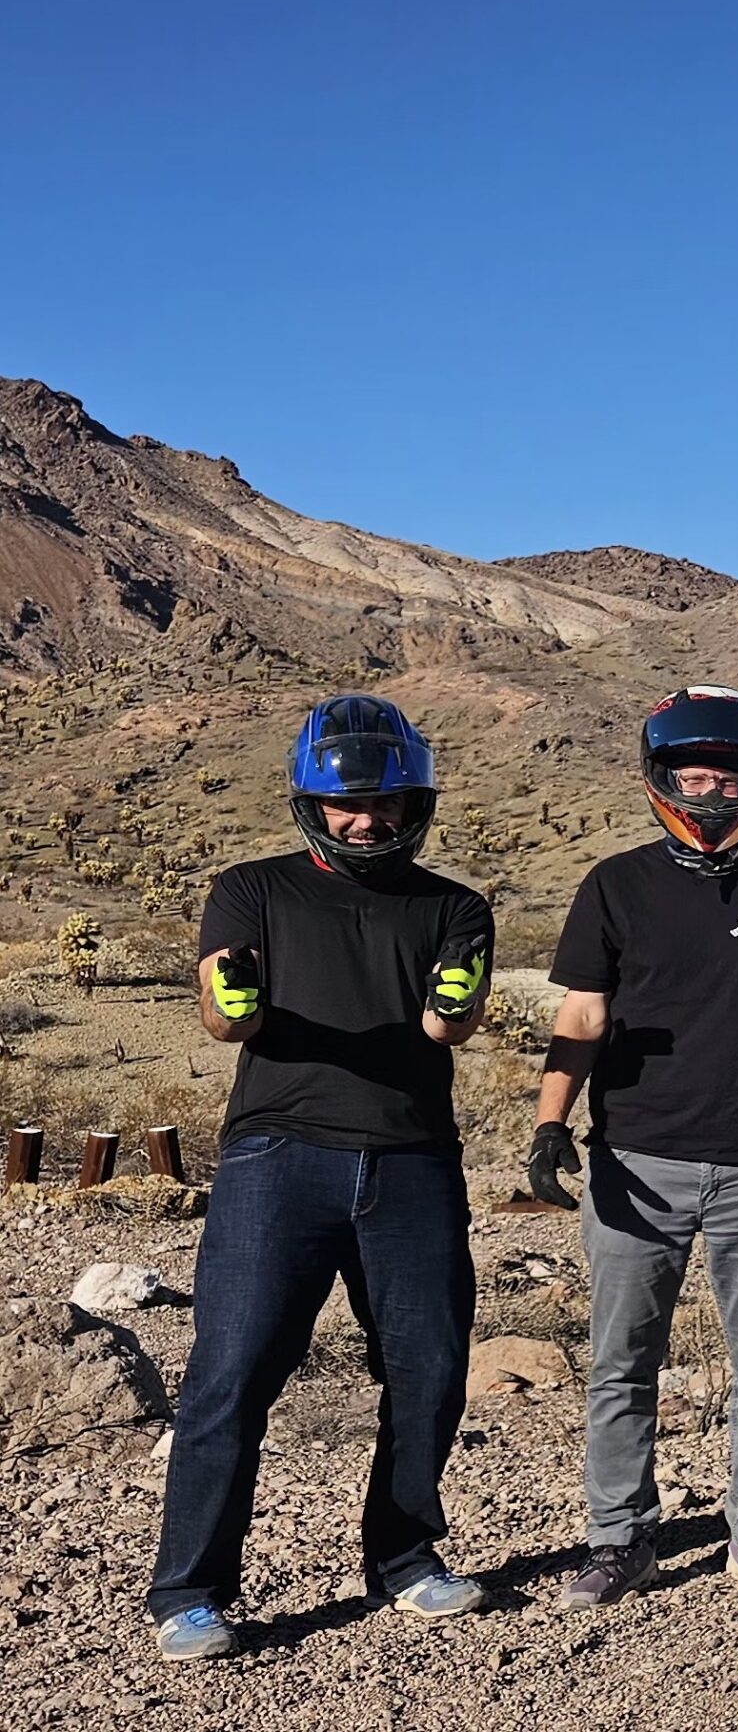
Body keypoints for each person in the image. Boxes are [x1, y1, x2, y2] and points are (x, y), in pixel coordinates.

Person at [149, 696, 493, 1660]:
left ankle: (408, 1559)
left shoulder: (454, 907)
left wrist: (457, 1006)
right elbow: (227, 1022)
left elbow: (446, 1028)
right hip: (277, 1157)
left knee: (427, 1373)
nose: (367, 821)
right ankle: (189, 1590)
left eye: (387, 805)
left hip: (414, 1160)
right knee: (233, 1371)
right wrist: (231, 999)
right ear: (310, 802)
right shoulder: (251, 890)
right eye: (347, 806)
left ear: (414, 803)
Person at [524, 686, 738, 1609]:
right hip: (635, 1159)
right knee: (622, 1359)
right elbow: (581, 1013)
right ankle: (619, 1538)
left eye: (723, 772)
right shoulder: (616, 883)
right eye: (690, 772)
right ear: (661, 777)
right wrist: (548, 1119)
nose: (707, 788)